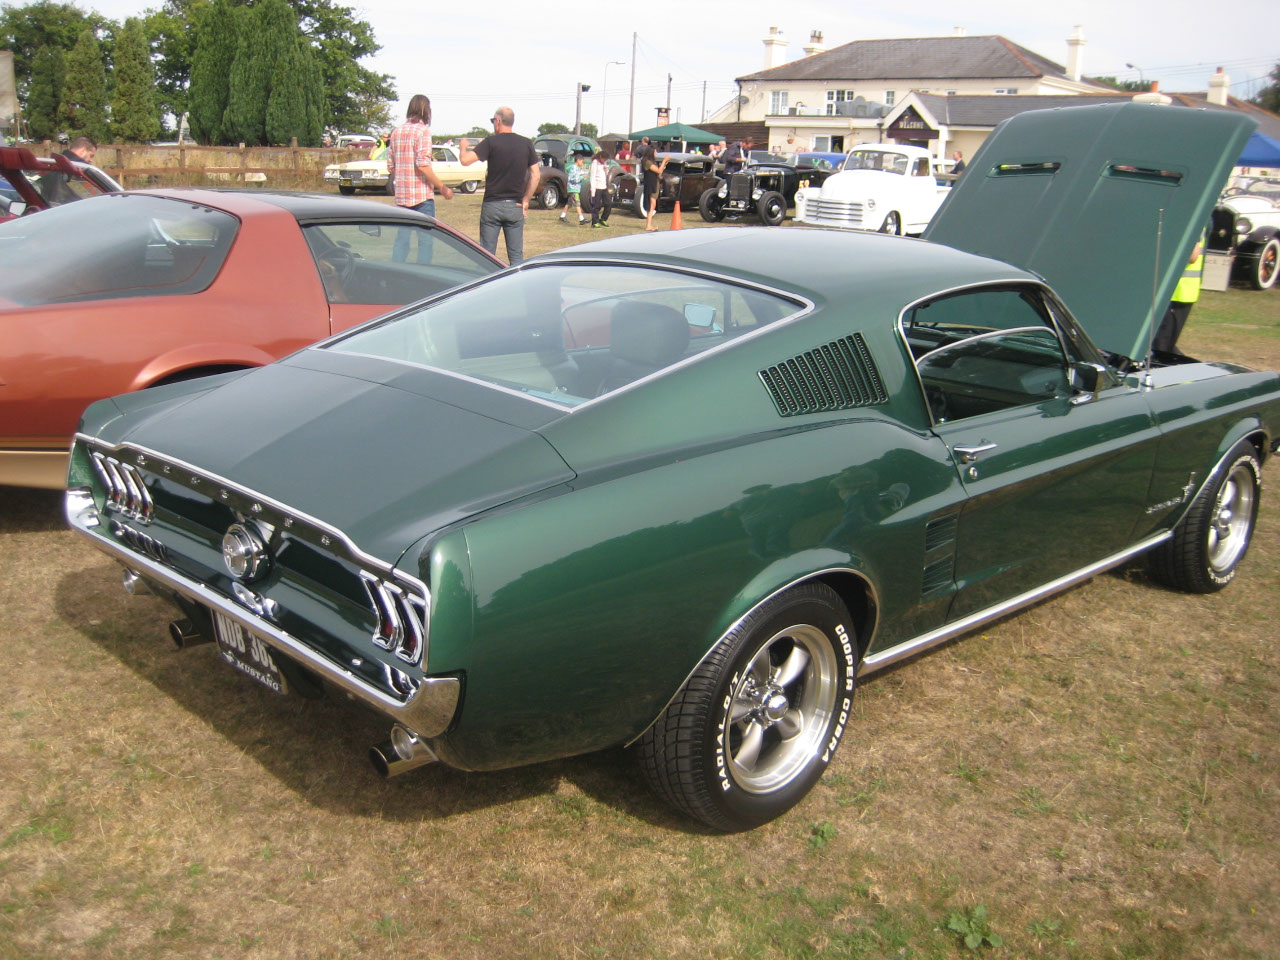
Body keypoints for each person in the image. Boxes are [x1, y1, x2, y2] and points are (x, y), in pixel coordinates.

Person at [459, 106, 540, 264]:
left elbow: (465, 160)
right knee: (516, 257)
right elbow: (536, 175)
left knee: (487, 257)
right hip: (515, 205)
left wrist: (463, 147)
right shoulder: (526, 143)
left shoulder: (491, 142)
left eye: (492, 121)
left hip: (492, 204)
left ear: (498, 121)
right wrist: (526, 200)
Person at [385, 94, 453, 263]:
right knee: (425, 242)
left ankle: (396, 272)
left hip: (402, 197)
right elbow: (422, 164)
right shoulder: (423, 131)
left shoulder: (396, 132)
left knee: (401, 241)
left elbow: (391, 166)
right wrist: (442, 187)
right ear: (426, 111)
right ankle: (423, 276)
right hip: (421, 197)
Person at [1153, 233, 1204, 355]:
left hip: (1178, 294)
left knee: (1161, 348)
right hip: (1168, 293)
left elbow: (1192, 255)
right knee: (1158, 346)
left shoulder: (1191, 218)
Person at [40, 135, 96, 204]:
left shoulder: (53, 164)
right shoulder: (82, 170)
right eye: (91, 155)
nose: (91, 160)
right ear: (83, 151)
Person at [642, 143, 668, 232]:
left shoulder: (651, 161)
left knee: (653, 205)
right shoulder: (647, 162)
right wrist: (664, 161)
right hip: (651, 185)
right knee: (652, 205)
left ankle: (649, 225)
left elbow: (659, 172)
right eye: (655, 151)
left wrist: (664, 164)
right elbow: (658, 170)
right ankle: (648, 225)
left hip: (654, 184)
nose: (656, 153)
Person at [589, 150, 613, 228]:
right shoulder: (595, 163)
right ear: (600, 157)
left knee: (608, 204)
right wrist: (593, 191)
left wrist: (606, 169)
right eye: (604, 159)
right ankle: (595, 222)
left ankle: (603, 219)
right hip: (597, 187)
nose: (605, 161)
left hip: (604, 186)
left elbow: (606, 173)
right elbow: (592, 177)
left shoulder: (604, 163)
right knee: (597, 205)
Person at [563, 153, 588, 224]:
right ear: (578, 160)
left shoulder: (576, 168)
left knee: (569, 203)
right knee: (577, 203)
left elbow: (580, 173)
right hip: (573, 189)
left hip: (574, 188)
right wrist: (583, 177)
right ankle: (581, 219)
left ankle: (562, 216)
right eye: (582, 161)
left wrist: (585, 173)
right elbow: (575, 179)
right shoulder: (574, 168)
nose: (582, 163)